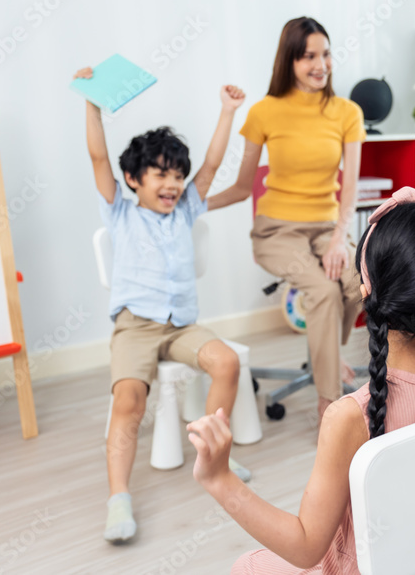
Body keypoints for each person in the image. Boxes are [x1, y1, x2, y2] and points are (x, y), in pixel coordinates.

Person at [188, 188, 415, 574]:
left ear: (366, 292)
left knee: (246, 565)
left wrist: (219, 479)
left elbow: (306, 549)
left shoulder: (351, 416)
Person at [74, 67, 252, 544]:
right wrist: (92, 103)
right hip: (135, 328)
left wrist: (227, 112)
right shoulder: (119, 208)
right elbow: (97, 156)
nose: (173, 185)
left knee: (228, 362)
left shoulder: (188, 207)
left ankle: (214, 457)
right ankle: (118, 500)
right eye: (161, 176)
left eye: (178, 176)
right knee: (129, 402)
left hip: (181, 327)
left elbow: (212, 166)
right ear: (134, 178)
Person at [208, 17, 365, 417]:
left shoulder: (347, 112)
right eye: (308, 56)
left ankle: (325, 357)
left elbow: (350, 186)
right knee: (324, 291)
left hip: (328, 227)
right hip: (277, 230)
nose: (321, 64)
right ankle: (328, 405)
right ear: (289, 60)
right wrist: (194, 205)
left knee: (357, 284)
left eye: (325, 54)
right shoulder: (265, 112)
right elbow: (244, 187)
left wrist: (338, 239)